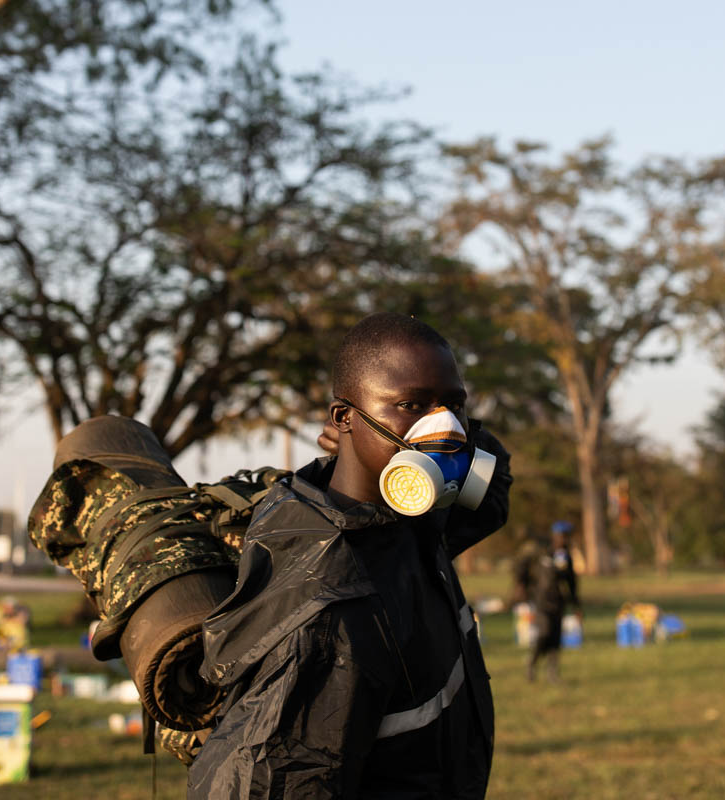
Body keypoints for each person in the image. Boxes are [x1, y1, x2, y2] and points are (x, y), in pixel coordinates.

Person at [188, 312, 512, 799]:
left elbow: (493, 486)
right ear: (344, 418)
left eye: (453, 405)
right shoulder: (330, 608)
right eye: (411, 405)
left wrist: (365, 444)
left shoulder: (409, 523)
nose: (445, 428)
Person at [514, 521, 581, 682]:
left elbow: (572, 584)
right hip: (541, 600)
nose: (563, 540)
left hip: (558, 602)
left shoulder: (567, 558)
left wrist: (576, 605)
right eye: (561, 536)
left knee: (555, 638)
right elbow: (521, 566)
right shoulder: (541, 552)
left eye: (566, 536)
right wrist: (521, 585)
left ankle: (552, 673)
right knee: (544, 634)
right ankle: (532, 662)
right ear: (554, 536)